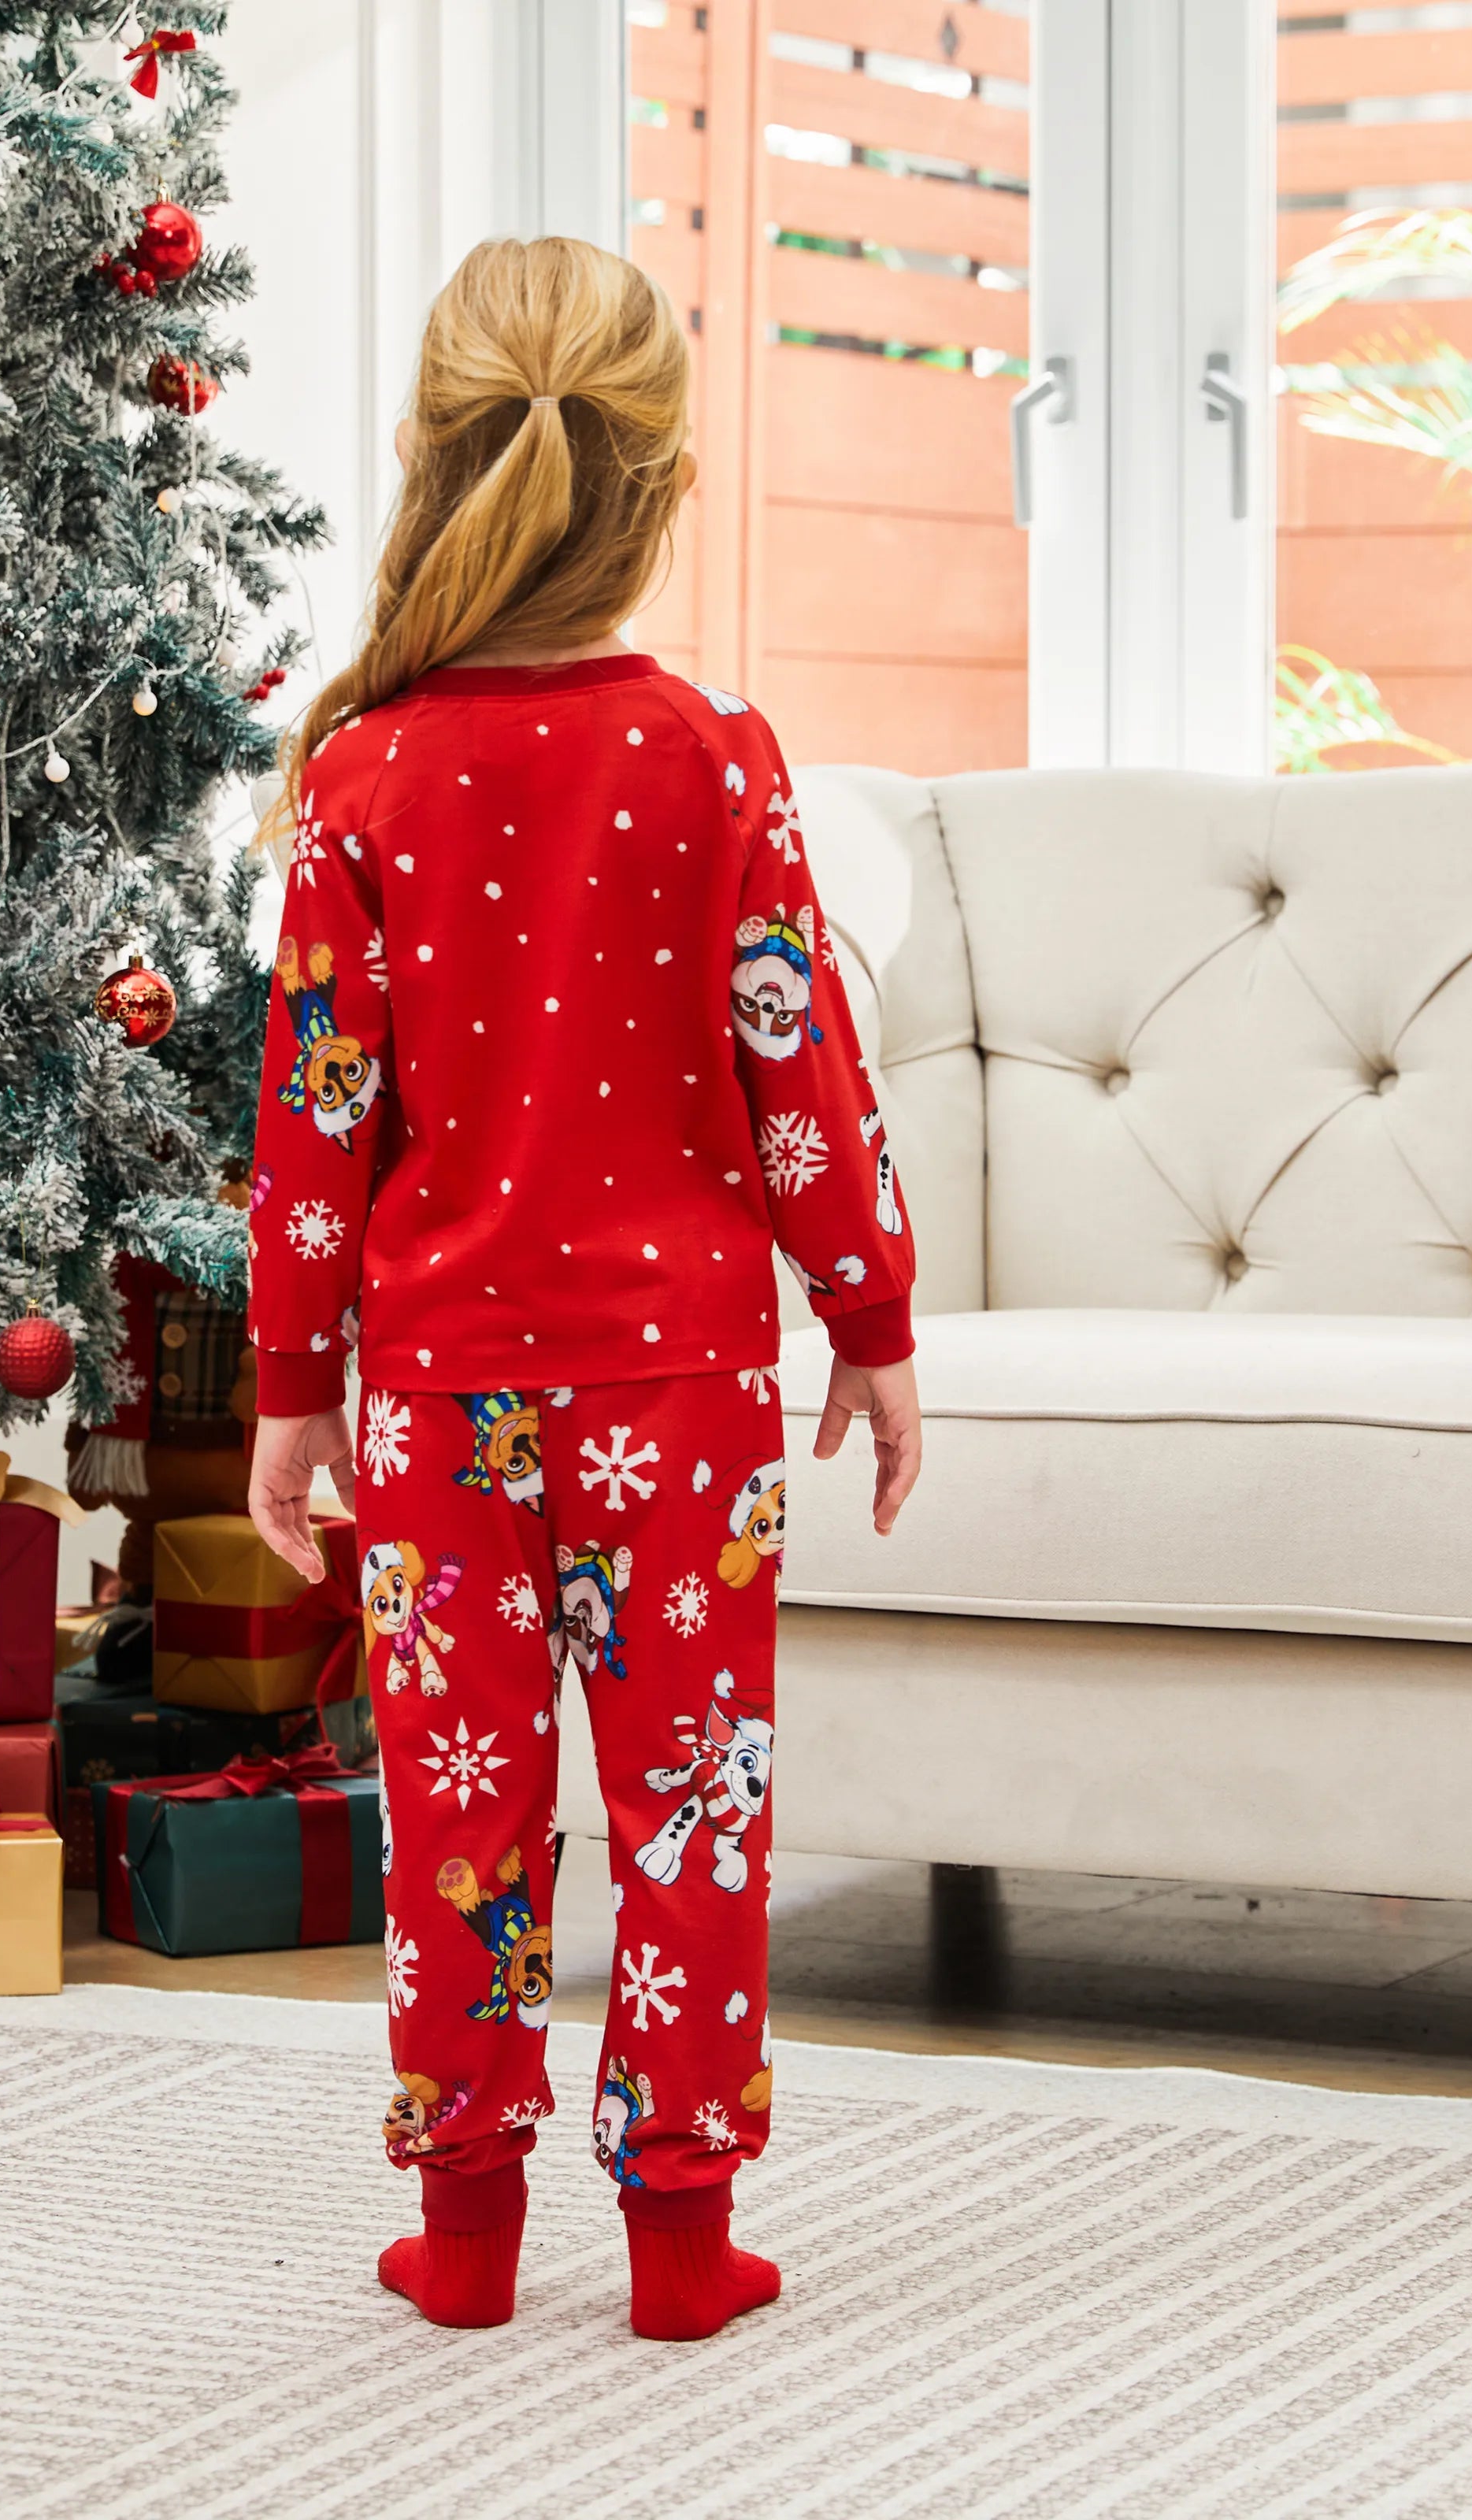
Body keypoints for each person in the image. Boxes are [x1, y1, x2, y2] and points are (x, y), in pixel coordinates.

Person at [247, 235, 921, 2341]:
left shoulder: (363, 775)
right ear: (664, 485)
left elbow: (314, 1121)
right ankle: (683, 2250)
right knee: (693, 1808)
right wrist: (872, 1319)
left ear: (428, 463)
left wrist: (290, 1388)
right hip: (683, 1395)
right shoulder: (717, 756)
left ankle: (464, 2242)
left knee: (460, 1808)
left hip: (436, 1398)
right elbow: (802, 1066)